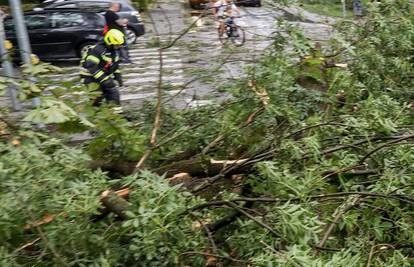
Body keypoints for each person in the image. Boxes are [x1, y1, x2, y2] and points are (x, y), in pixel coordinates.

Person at [80, 29, 124, 106]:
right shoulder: (97, 50)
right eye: (117, 45)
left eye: (119, 45)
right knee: (97, 99)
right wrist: (105, 80)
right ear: (109, 42)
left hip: (103, 76)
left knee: (114, 95)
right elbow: (92, 67)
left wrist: (118, 76)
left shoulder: (114, 51)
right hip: (89, 78)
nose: (119, 47)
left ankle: (117, 115)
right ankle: (96, 115)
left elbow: (114, 65)